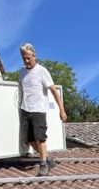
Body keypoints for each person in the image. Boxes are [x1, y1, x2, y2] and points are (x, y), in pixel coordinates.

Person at [18, 43, 67, 176]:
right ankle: (48, 158)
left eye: (28, 58)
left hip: (38, 110)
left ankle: (44, 165)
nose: (26, 61)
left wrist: (61, 110)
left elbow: (54, 91)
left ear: (34, 55)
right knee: (29, 140)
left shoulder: (42, 71)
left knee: (40, 139)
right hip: (25, 110)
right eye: (24, 58)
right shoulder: (21, 72)